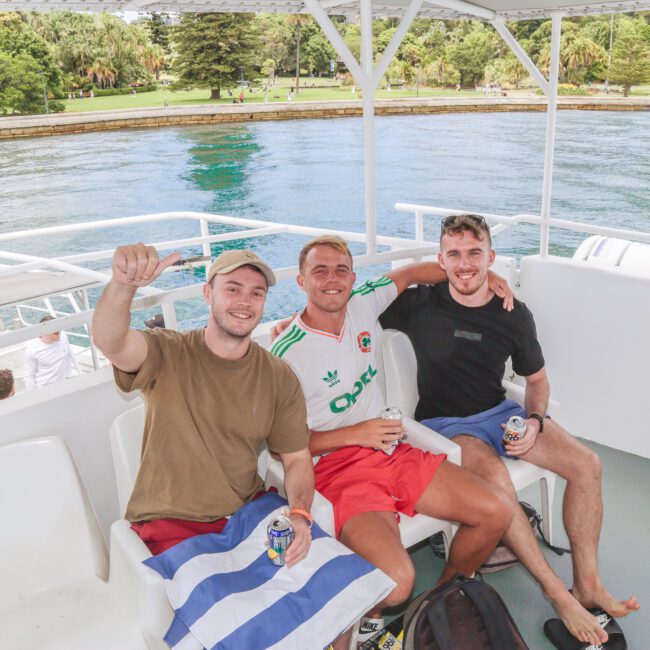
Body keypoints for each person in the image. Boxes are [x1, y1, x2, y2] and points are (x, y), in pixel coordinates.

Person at [379, 214, 640, 647]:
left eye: (475, 254)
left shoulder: (513, 313)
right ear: (440, 260)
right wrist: (292, 323)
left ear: (491, 257)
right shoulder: (419, 303)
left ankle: (587, 585)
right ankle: (558, 595)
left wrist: (535, 423)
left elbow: (536, 381)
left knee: (587, 464)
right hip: (445, 424)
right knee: (498, 485)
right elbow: (359, 301)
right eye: (454, 255)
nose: (465, 265)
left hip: (500, 412)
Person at [271, 235, 514, 647]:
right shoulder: (286, 353)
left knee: (496, 511)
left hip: (392, 452)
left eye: (341, 270)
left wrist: (481, 274)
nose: (332, 279)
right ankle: (363, 624)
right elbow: (281, 448)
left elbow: (412, 272)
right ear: (301, 282)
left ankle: (437, 601)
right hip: (337, 470)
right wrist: (355, 434)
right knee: (398, 582)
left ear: (352, 277)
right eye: (320, 271)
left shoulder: (364, 303)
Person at [92, 245, 314, 566]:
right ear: (207, 293)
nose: (244, 302)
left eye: (256, 293)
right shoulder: (168, 352)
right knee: (231, 611)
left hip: (247, 511)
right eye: (232, 289)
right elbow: (111, 341)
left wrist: (300, 514)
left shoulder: (278, 375)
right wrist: (123, 286)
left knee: (324, 581)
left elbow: (296, 459)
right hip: (170, 523)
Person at [24, 315, 75, 390]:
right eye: (56, 332)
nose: (60, 333)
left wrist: (68, 377)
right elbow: (29, 376)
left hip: (63, 386)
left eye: (59, 330)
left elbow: (67, 357)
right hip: (44, 390)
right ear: (45, 332)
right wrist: (34, 397)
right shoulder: (32, 350)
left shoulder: (63, 337)